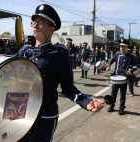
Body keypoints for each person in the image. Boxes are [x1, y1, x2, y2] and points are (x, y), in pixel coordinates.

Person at [17, 4, 105, 142]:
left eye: (41, 23)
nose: (35, 26)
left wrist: (86, 101)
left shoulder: (59, 53)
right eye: (34, 22)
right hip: (19, 112)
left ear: (52, 28)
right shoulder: (24, 51)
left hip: (44, 115)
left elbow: (67, 87)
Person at [106, 39, 139, 115]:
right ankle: (111, 106)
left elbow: (136, 65)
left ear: (126, 47)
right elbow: (111, 61)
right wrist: (108, 66)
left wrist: (131, 70)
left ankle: (121, 107)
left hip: (123, 78)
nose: (121, 48)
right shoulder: (117, 55)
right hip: (116, 77)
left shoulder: (130, 56)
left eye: (123, 47)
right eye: (120, 46)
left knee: (122, 93)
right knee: (113, 93)